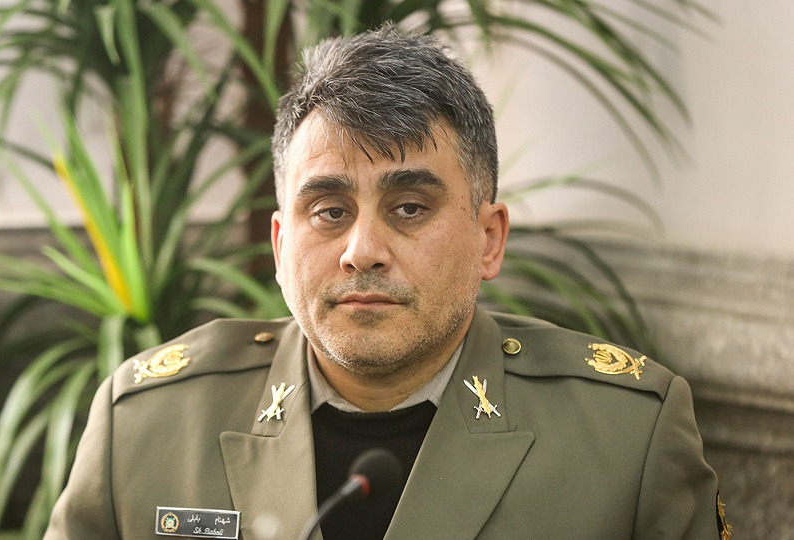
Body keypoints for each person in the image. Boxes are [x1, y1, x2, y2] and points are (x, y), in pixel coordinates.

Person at [45, 25, 730, 540]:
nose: (362, 251)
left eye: (408, 208)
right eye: (329, 211)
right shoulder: (147, 425)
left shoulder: (624, 440)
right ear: (280, 247)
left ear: (488, 239)